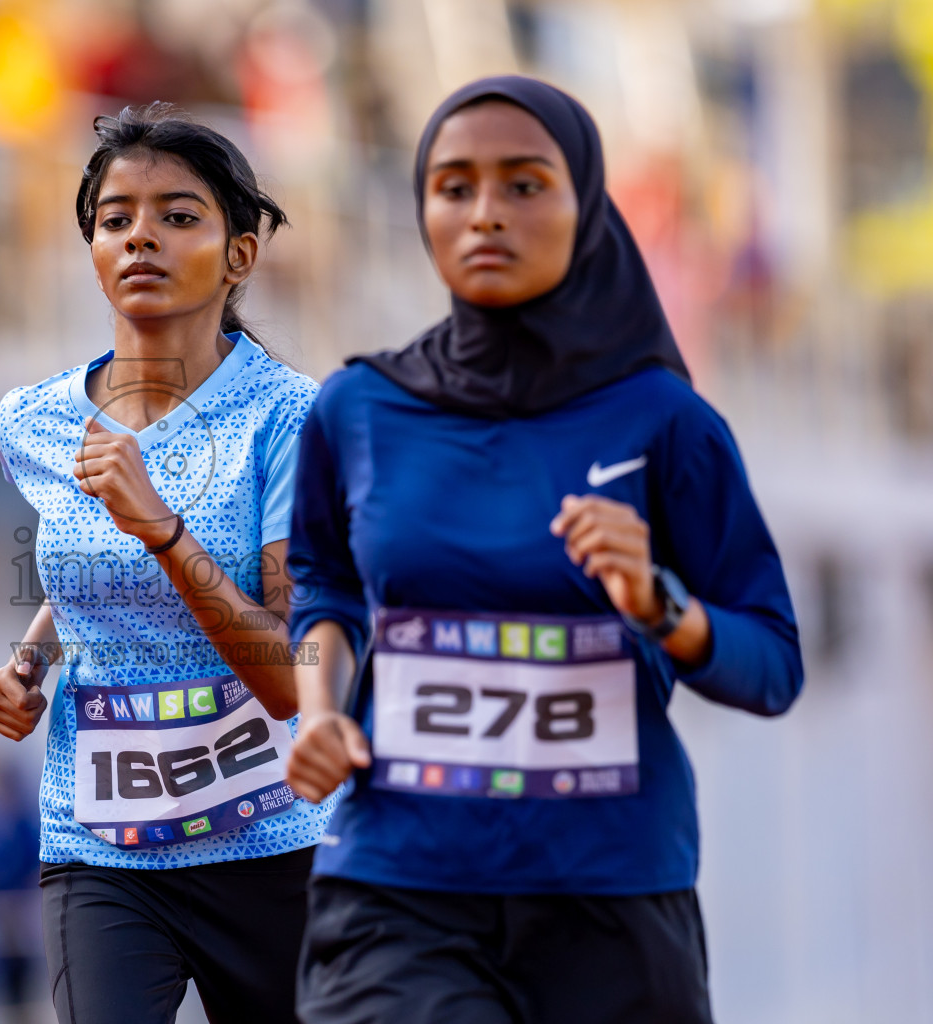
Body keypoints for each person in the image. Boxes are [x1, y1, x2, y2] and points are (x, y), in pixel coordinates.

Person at [284, 76, 804, 1024]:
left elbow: (772, 667)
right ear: (423, 209)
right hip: (398, 887)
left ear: (586, 206)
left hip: (609, 900)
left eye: (525, 185)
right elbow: (325, 588)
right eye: (454, 187)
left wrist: (661, 604)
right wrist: (318, 707)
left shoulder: (665, 421)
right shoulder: (356, 409)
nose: (485, 214)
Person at [0, 102, 335, 1024]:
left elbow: (294, 684)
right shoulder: (34, 422)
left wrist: (163, 529)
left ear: (239, 255)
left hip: (272, 846)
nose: (142, 236)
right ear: (92, 250)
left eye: (180, 216)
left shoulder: (292, 420)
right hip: (103, 846)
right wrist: (32, 659)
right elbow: (78, 559)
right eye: (116, 219)